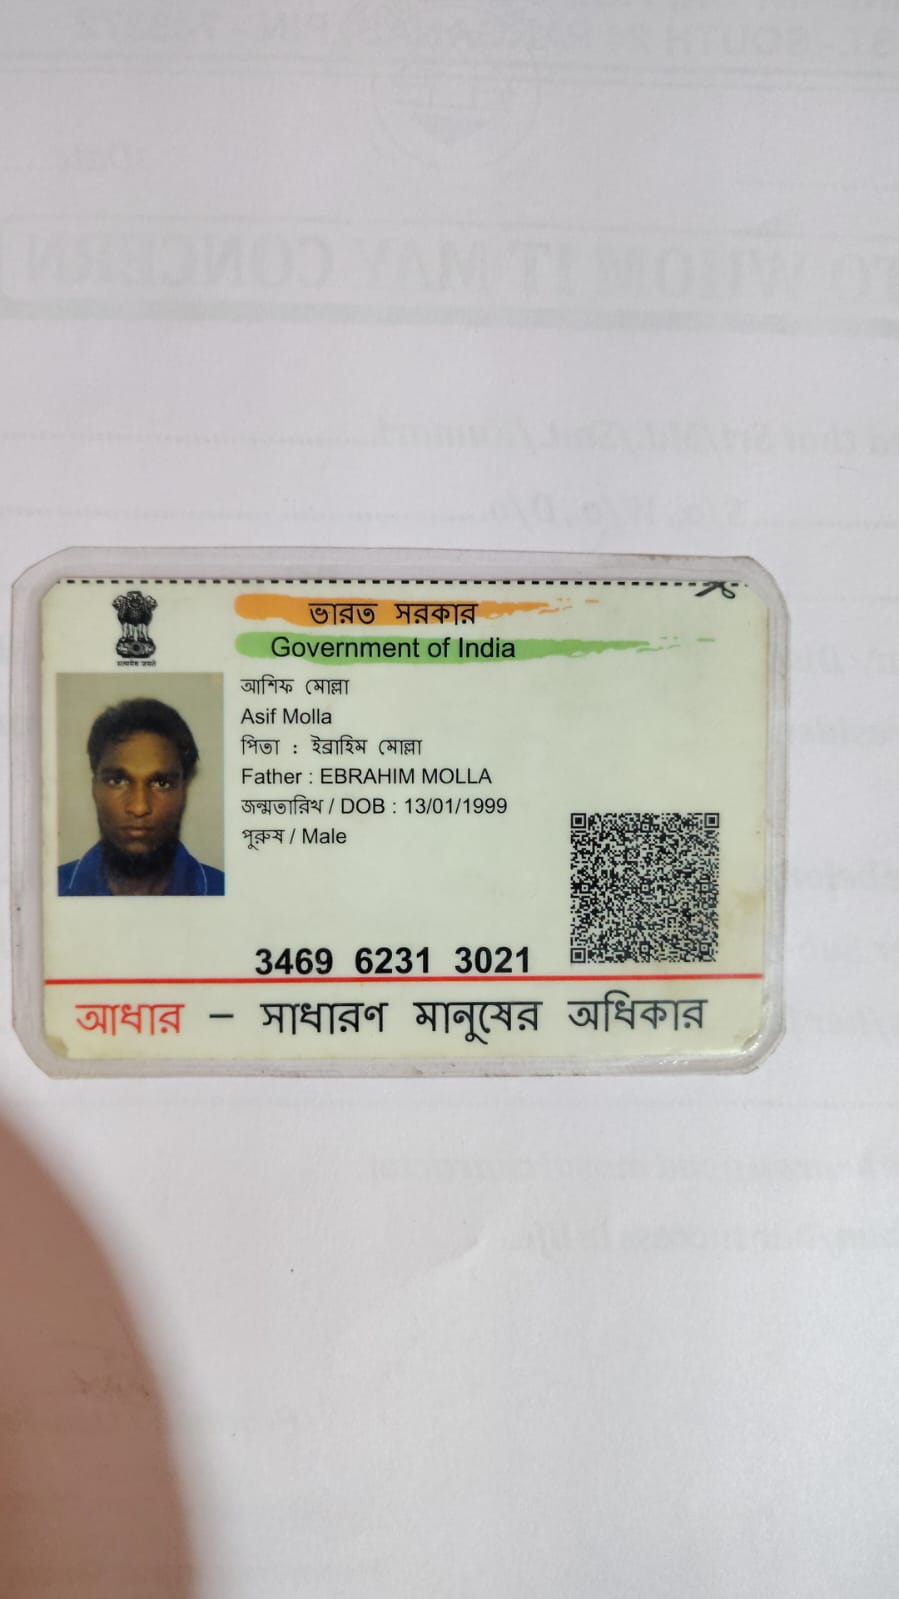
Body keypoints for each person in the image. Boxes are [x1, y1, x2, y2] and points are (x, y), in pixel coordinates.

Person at [58, 698, 225, 896]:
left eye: (161, 784)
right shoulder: (48, 890)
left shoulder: (224, 891)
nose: (139, 807)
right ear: (95, 788)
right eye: (117, 781)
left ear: (184, 792)